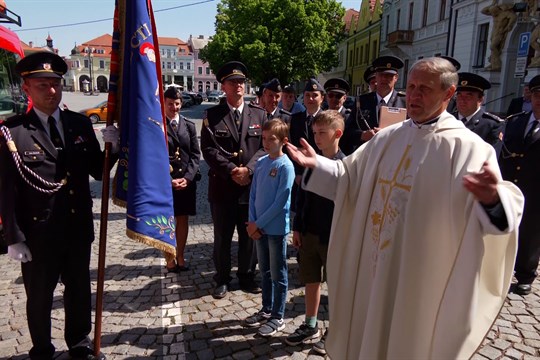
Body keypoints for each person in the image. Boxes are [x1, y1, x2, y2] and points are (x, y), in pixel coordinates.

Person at [286, 57, 524, 359]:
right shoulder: (388, 138)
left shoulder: (468, 148)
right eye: (411, 87)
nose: (413, 95)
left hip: (419, 274)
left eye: (424, 89)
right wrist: (317, 165)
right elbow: (349, 179)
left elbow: (502, 217)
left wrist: (492, 200)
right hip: (375, 268)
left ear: (448, 94)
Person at [0, 52, 119, 360]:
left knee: (79, 291)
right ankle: (42, 350)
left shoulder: (79, 125)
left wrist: (112, 146)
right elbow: (6, 189)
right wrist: (13, 236)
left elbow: (97, 170)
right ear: (26, 87)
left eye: (55, 83)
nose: (51, 91)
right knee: (39, 297)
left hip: (77, 228)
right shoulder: (13, 133)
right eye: (42, 85)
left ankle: (79, 345)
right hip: (38, 234)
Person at [200, 61, 266, 299]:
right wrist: (231, 171)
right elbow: (208, 150)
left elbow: (265, 147)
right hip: (223, 187)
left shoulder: (259, 113)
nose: (238, 86)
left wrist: (248, 169)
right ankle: (222, 278)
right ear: (223, 86)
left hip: (250, 187)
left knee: (249, 236)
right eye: (232, 82)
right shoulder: (212, 115)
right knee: (222, 237)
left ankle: (247, 276)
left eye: (241, 82)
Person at [285, 110, 345, 355]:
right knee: (311, 280)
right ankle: (310, 324)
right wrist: (297, 227)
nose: (317, 138)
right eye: (315, 133)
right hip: (309, 232)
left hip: (333, 236)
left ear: (338, 133)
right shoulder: (312, 160)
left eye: (322, 133)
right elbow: (303, 197)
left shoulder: (345, 165)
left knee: (337, 286)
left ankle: (335, 330)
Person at [243, 119, 294, 337]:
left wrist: (258, 223)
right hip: (259, 229)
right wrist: (252, 222)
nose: (266, 142)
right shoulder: (262, 162)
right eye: (263, 138)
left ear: (283, 141)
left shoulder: (286, 166)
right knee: (264, 271)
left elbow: (280, 203)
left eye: (271, 139)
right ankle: (266, 308)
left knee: (278, 273)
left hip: (274, 230)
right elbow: (253, 194)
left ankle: (278, 316)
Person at [499, 74, 540, 296]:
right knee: (505, 228)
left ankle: (525, 275)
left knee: (531, 233)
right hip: (511, 185)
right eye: (536, 94)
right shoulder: (516, 121)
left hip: (536, 189)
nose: (539, 99)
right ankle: (501, 271)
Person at [163, 87, 201, 273]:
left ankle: (180, 255)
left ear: (181, 103)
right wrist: (167, 179)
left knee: (182, 219)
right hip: (165, 182)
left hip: (186, 182)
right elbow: (152, 157)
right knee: (166, 220)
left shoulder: (189, 125)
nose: (174, 107)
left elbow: (195, 154)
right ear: (164, 103)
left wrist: (188, 177)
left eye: (177, 104)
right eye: (170, 104)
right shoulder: (157, 126)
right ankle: (169, 257)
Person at [340, 55, 406, 154]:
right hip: (367, 156)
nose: (384, 78)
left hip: (394, 156)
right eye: (381, 74)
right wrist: (363, 135)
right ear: (376, 76)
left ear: (396, 77)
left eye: (389, 75)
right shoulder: (361, 101)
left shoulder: (405, 102)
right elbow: (348, 132)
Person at [454, 72, 505, 155]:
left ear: (480, 99)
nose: (462, 100)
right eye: (459, 96)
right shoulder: (448, 119)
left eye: (468, 97)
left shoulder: (492, 124)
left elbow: (491, 157)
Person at [481, 2, 517, 71]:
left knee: (493, 46)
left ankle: (497, 63)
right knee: (493, 47)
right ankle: (493, 63)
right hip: (494, 33)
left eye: (494, 12)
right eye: (492, 13)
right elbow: (483, 11)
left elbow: (513, 17)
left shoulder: (505, 14)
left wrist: (509, 25)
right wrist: (492, 4)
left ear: (498, 10)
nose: (493, 14)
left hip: (500, 33)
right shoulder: (494, 15)